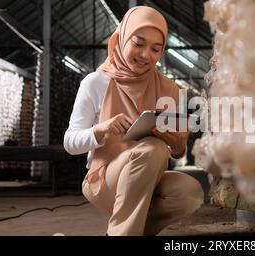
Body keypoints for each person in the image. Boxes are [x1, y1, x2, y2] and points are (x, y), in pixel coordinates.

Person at [63, 6, 204, 236]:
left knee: (189, 193)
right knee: (153, 147)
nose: (146, 55)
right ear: (121, 38)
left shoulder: (168, 89)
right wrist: (100, 130)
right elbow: (70, 142)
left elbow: (176, 154)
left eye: (156, 49)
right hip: (104, 180)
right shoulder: (96, 82)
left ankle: (123, 232)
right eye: (138, 44)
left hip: (148, 177)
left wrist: (178, 144)